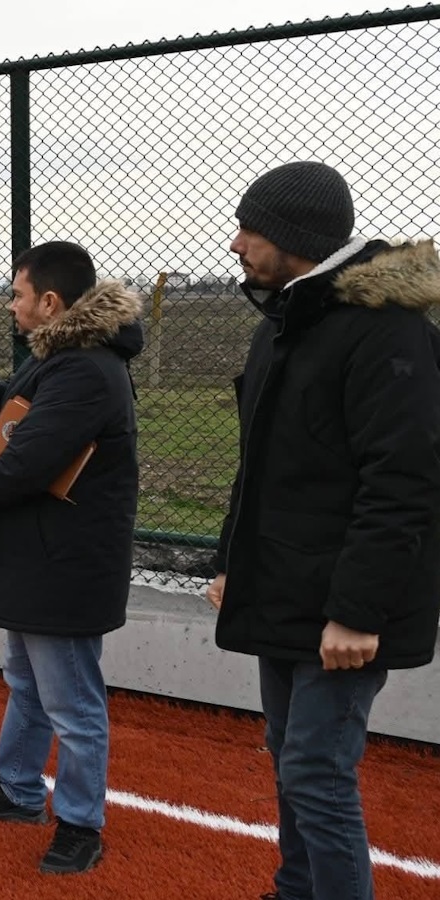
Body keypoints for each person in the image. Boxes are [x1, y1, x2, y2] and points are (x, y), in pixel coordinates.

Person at [205, 161, 440, 900]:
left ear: (291, 234)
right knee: (287, 756)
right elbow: (260, 466)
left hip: (343, 607)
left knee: (314, 770)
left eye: (249, 227)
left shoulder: (387, 332)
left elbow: (403, 482)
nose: (237, 244)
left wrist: (357, 611)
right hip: (281, 584)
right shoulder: (285, 323)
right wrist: (227, 560)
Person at [0, 241, 143, 875]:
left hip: (65, 562)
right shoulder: (61, 361)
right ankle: (20, 790)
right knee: (28, 683)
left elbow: (28, 460)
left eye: (18, 294)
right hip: (40, 554)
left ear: (50, 302)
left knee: (73, 702)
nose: (12, 304)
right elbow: (11, 430)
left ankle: (81, 823)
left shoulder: (86, 369)